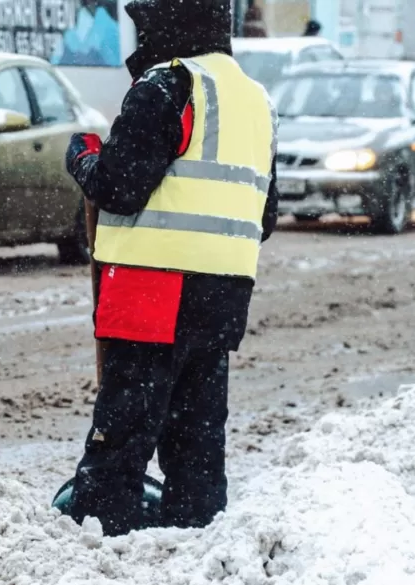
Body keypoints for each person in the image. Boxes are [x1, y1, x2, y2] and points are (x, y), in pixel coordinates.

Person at [62, 0, 280, 536]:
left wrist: (83, 156)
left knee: (121, 439)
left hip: (151, 294)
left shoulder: (169, 86)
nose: (142, 37)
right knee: (197, 445)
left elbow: (118, 187)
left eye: (148, 24)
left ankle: (96, 546)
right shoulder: (255, 101)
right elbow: (265, 215)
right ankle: (197, 541)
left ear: (171, 24)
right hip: (223, 299)